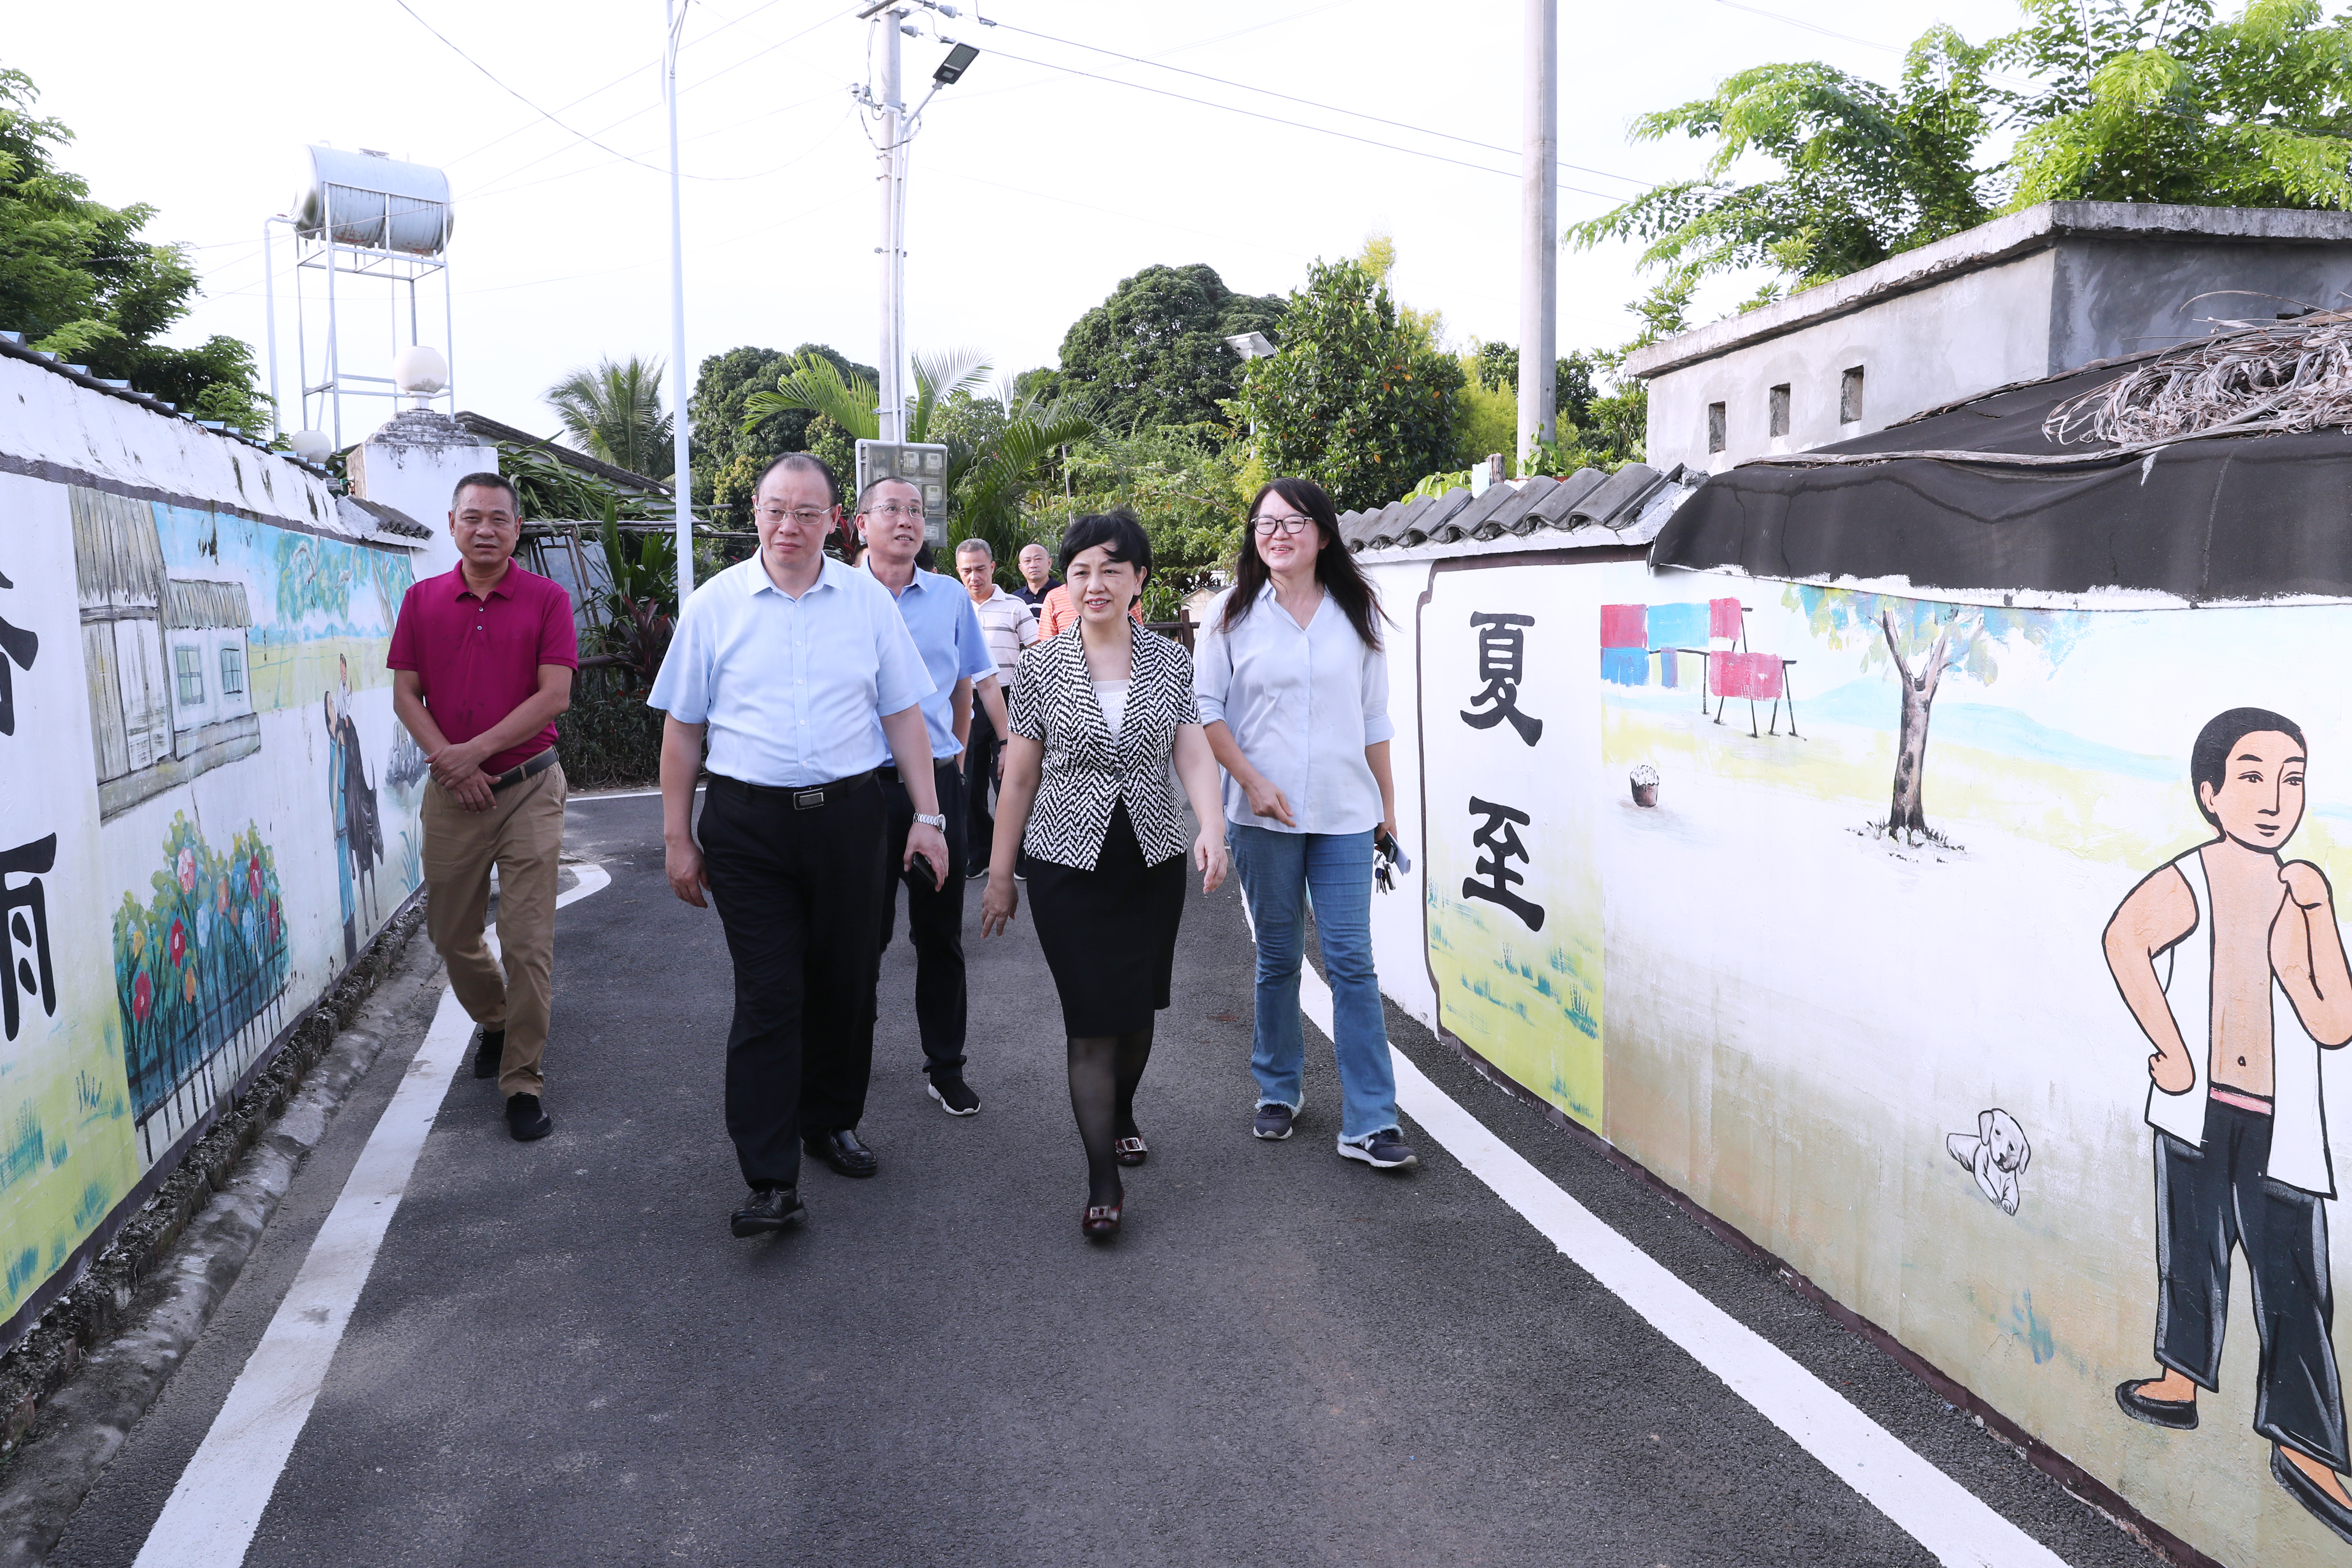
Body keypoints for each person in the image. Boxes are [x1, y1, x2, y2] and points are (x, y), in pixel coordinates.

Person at [649, 454, 949, 1237]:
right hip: (749, 827)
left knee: (847, 982)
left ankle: (829, 1119)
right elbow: (683, 730)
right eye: (776, 510)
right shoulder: (714, 605)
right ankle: (770, 1175)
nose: (790, 526)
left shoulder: (866, 603)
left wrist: (929, 815)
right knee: (770, 993)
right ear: (754, 511)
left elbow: (903, 716)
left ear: (835, 520)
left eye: (808, 513)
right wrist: (677, 837)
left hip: (852, 820)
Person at [2102, 707, 2352, 1539]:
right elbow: (2125, 938)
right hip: (2199, 1108)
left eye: (2291, 778)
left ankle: (2308, 1447)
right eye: (2251, 776)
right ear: (2211, 793)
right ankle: (2180, 1380)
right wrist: (2170, 1050)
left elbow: (2333, 1022)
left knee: (2294, 1286)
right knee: (2193, 1250)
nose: (2274, 797)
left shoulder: (2297, 891)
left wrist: (2319, 918)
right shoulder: (2196, 877)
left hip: (2281, 1125)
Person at [980, 511, 1228, 1241]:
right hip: (1065, 864)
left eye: (1110, 569)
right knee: (1091, 1021)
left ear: (1138, 580)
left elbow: (1191, 751)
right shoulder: (1041, 667)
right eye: (1080, 570)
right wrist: (1001, 874)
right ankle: (1102, 1178)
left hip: (1150, 857)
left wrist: (1210, 826)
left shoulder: (1169, 661)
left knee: (1137, 1013)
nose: (1093, 583)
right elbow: (1018, 778)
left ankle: (1121, 1110)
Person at [1197, 478, 1418, 1171]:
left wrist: (1386, 806)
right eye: (1266, 524)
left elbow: (1375, 718)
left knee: (1352, 962)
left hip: (1346, 816)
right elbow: (1208, 711)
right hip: (1261, 818)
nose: (1279, 534)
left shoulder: (1357, 615)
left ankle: (1371, 1119)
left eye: (1294, 522)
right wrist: (1253, 784)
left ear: (1323, 533)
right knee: (1279, 957)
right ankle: (1279, 1087)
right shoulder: (1229, 616)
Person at [387, 472, 578, 1142]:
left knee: (528, 943)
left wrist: (476, 752)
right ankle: (497, 1021)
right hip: (452, 794)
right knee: (451, 934)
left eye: (500, 519)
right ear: (453, 523)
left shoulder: (548, 600)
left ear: (516, 528)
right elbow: (406, 694)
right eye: (474, 518)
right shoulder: (423, 601)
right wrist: (451, 760)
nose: (486, 529)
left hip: (529, 786)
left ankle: (522, 1081)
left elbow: (554, 696)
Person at [859, 486, 1002, 1116]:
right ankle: (846, 1069)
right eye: (891, 509)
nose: (907, 520)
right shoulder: (838, 594)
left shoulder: (949, 597)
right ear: (860, 523)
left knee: (940, 934)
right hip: (859, 790)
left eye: (916, 510)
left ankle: (946, 1066)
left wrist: (958, 760)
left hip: (938, 785)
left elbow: (965, 688)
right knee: (858, 938)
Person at [956, 538, 1038, 876]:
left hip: (1009, 698)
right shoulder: (955, 606)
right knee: (969, 784)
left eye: (979, 569)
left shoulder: (1015, 607)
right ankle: (980, 854)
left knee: (1008, 780)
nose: (974, 577)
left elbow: (1035, 654)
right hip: (967, 702)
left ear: (992, 568)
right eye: (966, 571)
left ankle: (1018, 856)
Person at [1038, 578, 1142, 640]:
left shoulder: (1128, 596)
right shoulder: (1054, 597)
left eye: (1110, 571)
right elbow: (1048, 643)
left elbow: (1139, 634)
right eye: (1082, 573)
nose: (1095, 587)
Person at [1011, 542, 1059, 624]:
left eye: (1038, 560)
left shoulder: (1065, 594)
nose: (1033, 565)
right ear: (1021, 568)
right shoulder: (1015, 599)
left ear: (1049, 563)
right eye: (1027, 561)